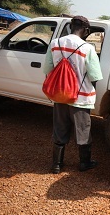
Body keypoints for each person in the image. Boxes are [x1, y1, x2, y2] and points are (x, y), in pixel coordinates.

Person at [43, 15, 103, 174]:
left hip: (60, 95)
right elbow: (95, 76)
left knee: (60, 129)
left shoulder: (55, 43)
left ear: (70, 27)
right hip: (80, 98)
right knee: (83, 131)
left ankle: (56, 164)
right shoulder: (88, 48)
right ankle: (84, 163)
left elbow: (47, 69)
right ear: (85, 30)